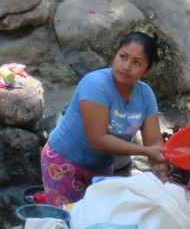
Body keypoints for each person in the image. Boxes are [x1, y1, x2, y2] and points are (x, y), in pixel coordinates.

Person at [39, 31, 166, 206]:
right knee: (68, 218)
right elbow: (98, 140)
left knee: (100, 217)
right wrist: (146, 151)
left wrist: (164, 177)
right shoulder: (96, 84)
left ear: (147, 70)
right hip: (64, 161)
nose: (126, 66)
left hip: (101, 167)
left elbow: (154, 145)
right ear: (115, 55)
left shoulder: (146, 95)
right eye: (123, 56)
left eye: (137, 62)